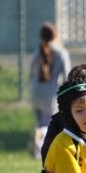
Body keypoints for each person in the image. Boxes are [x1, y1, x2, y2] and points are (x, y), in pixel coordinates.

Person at [30, 22, 71, 158]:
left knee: (41, 123)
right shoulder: (61, 53)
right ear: (56, 36)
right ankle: (41, 149)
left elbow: (32, 72)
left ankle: (37, 145)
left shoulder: (37, 52)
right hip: (51, 94)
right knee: (48, 124)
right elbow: (67, 75)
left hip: (36, 92)